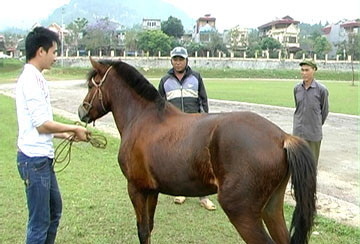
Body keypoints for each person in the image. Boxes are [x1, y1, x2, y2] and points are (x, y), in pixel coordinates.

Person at [15, 26, 90, 244]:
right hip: (34, 160)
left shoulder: (37, 78)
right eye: (54, 52)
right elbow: (40, 125)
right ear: (41, 51)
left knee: (54, 211)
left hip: (41, 159)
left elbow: (37, 124)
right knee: (39, 222)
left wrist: (65, 135)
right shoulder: (30, 79)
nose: (56, 57)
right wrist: (72, 128)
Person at [158, 46, 216, 211]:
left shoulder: (196, 77)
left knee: (200, 160)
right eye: (175, 60)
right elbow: (159, 105)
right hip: (174, 127)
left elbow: (203, 101)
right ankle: (181, 191)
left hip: (195, 126)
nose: (178, 63)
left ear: (186, 60)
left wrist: (205, 121)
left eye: (181, 59)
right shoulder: (165, 81)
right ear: (171, 61)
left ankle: (203, 196)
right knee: (177, 160)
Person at [293, 59, 329, 168]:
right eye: (302, 70)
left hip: (313, 134)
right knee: (298, 164)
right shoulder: (297, 89)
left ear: (314, 70)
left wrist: (316, 124)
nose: (304, 73)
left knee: (311, 166)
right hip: (298, 134)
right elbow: (298, 108)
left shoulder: (321, 90)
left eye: (307, 70)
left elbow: (324, 111)